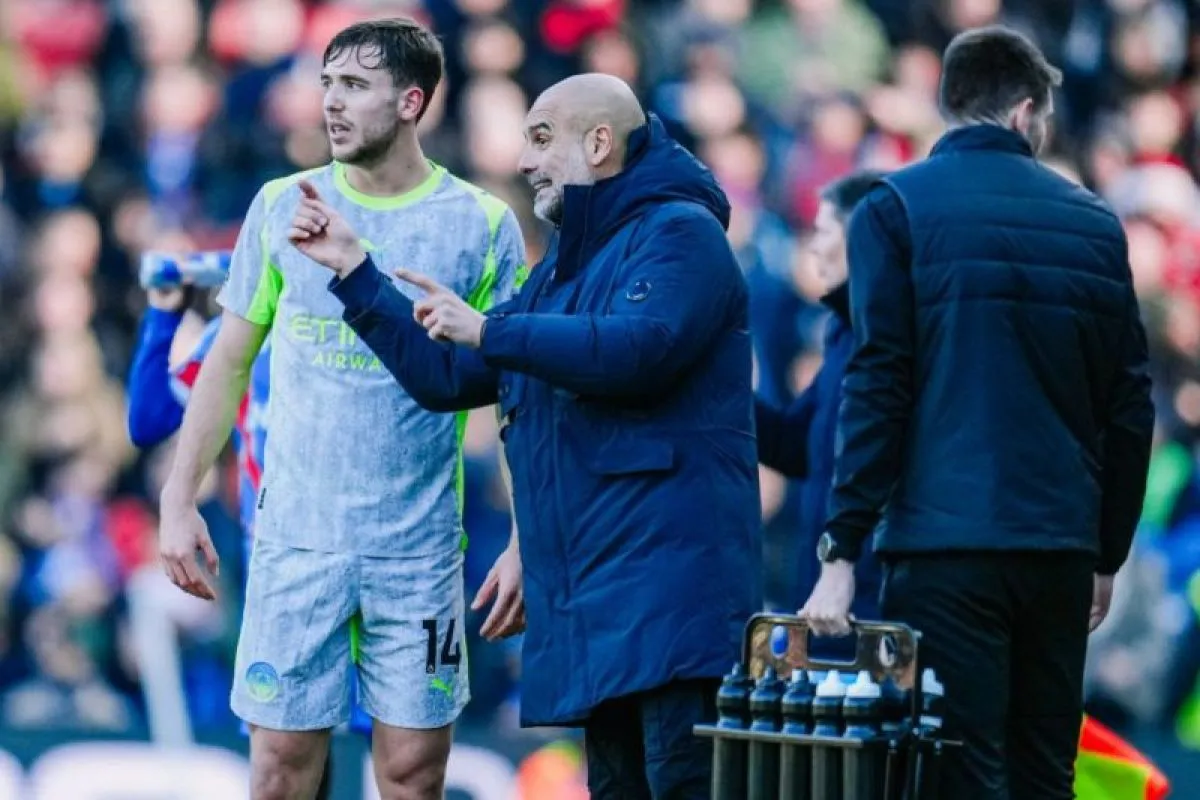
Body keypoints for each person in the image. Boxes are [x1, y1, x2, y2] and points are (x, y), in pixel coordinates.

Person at [291, 72, 761, 798]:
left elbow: (640, 349)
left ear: (599, 144)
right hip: (602, 606)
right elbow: (449, 377)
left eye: (541, 139)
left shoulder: (681, 233)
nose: (523, 161)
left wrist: (491, 329)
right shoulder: (565, 270)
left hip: (672, 604)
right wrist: (358, 275)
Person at [156, 17, 526, 800]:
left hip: (418, 551)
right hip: (297, 543)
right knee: (279, 773)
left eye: (355, 85)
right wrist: (178, 497)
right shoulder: (278, 206)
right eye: (327, 83)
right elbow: (228, 361)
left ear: (411, 102)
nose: (330, 101)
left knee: (413, 776)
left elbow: (518, 395)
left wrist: (528, 539)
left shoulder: (482, 223)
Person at [799, 25, 1155, 800]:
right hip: (1059, 546)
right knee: (1045, 773)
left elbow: (878, 384)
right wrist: (1106, 553)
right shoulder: (1094, 221)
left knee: (960, 772)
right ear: (1026, 111)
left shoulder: (894, 208)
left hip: (943, 548)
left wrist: (841, 545)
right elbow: (1130, 405)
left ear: (953, 102)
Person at [125, 278, 369, 799]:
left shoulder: (369, 323)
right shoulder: (238, 337)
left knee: (386, 765)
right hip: (276, 588)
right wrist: (164, 317)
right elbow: (148, 422)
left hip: (372, 575)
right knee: (283, 768)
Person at [754, 170, 886, 659]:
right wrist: (718, 389)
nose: (812, 247)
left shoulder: (891, 343)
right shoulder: (840, 333)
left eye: (824, 231)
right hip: (821, 597)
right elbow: (796, 445)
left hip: (872, 602)